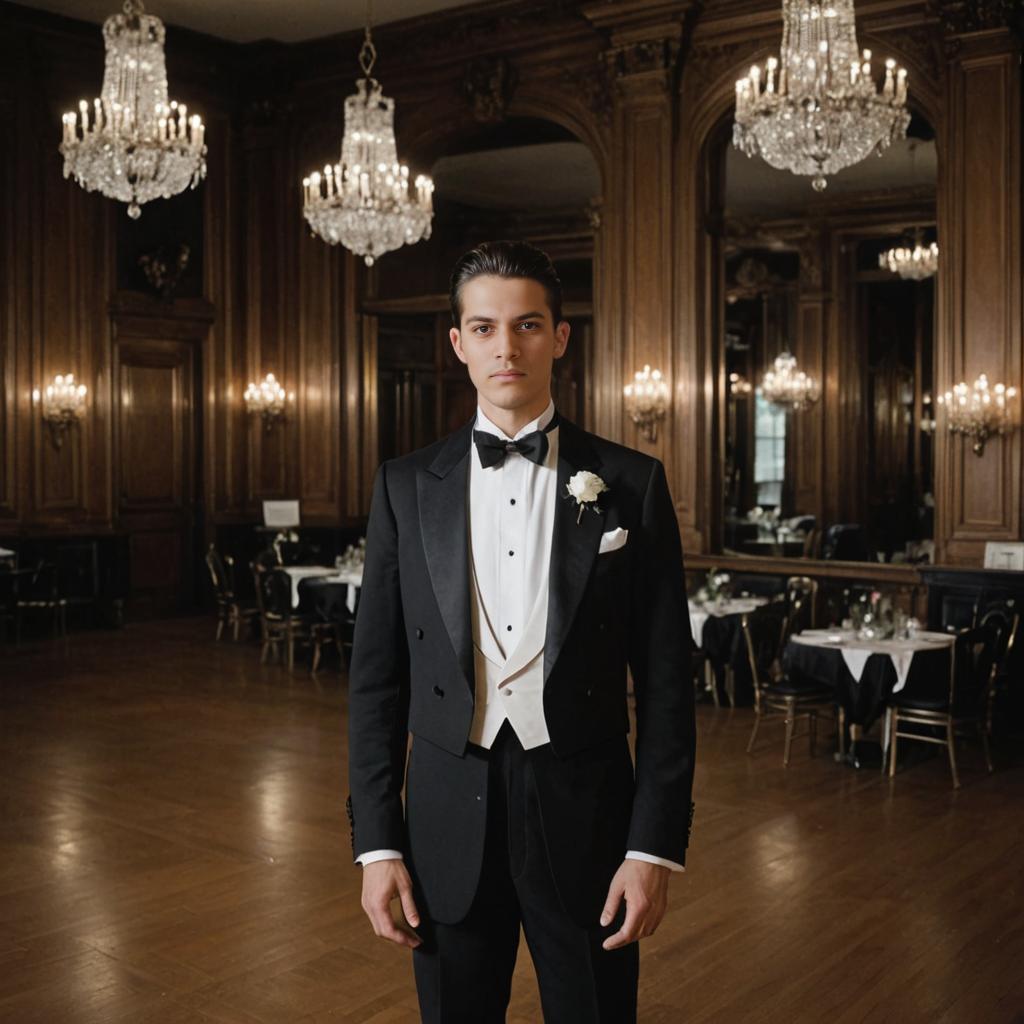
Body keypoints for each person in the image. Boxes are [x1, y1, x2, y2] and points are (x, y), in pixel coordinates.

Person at [347, 240, 696, 1023]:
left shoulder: (632, 485)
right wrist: (377, 845)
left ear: (561, 337)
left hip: (590, 818)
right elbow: (374, 684)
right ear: (458, 343)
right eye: (484, 327)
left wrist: (651, 849)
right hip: (443, 821)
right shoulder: (404, 487)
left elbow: (671, 685)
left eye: (529, 324)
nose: (507, 347)